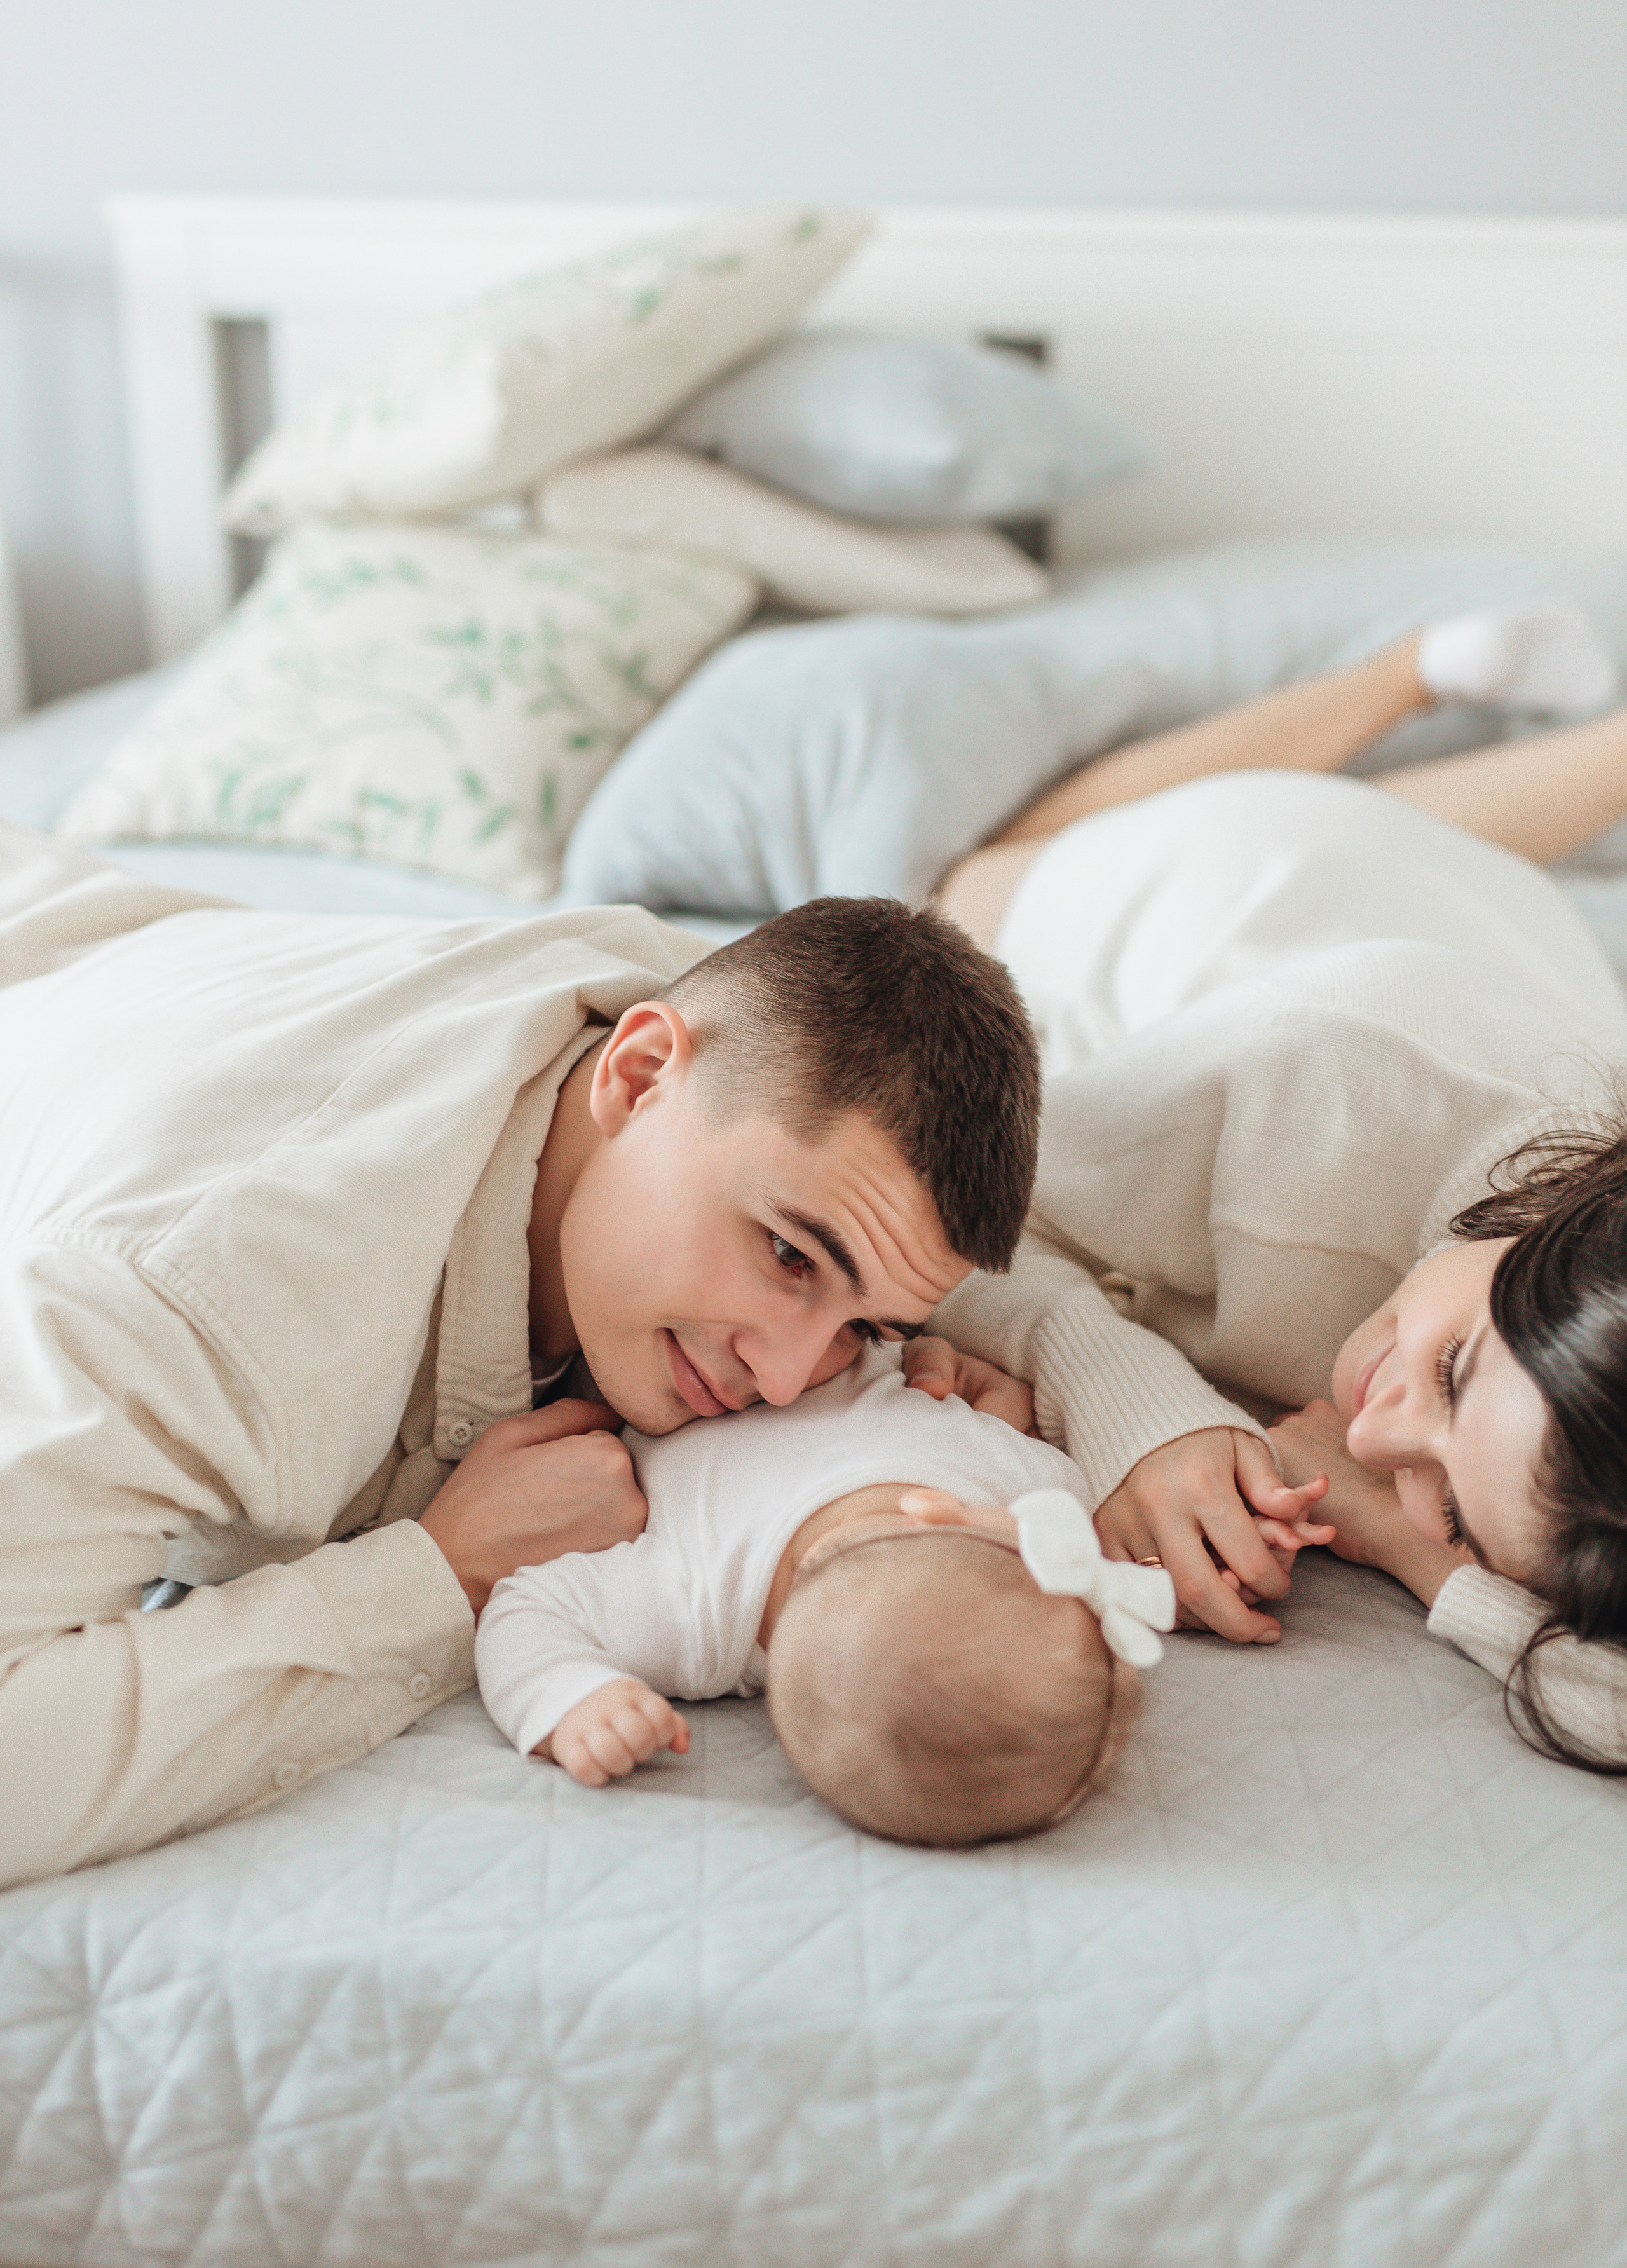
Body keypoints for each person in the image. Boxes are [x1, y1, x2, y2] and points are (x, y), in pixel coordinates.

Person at [0, 834, 1040, 1887]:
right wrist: (440, 1576)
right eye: (787, 1257)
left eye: (865, 1330)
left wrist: (1118, 1413)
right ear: (638, 1077)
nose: (781, 1382)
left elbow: (1039, 1210)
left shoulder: (733, 1021)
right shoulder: (205, 1310)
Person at [930, 601, 1627, 1768]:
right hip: (1245, 887)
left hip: (1493, 932)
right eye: (1452, 1371)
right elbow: (967, 1217)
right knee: (969, 882)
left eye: (1455, 1512)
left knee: (1418, 850)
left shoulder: (1583, 1481)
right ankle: (1406, 671)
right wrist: (1141, 1410)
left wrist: (1411, 1549)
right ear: (1567, 1233)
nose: (1378, 1432)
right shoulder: (1320, 1071)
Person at [475, 1339, 1325, 1843]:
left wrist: (568, 1694)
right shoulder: (1033, 1485)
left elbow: (522, 1607)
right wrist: (1000, 1389)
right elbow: (1083, 1472)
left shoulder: (695, 1611)